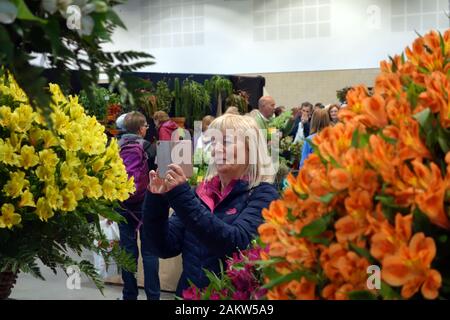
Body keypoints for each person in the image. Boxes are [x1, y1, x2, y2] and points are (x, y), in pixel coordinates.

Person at [143, 114, 279, 296]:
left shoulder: (263, 195)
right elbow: (164, 247)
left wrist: (181, 195)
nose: (217, 149)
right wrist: (157, 200)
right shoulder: (201, 193)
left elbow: (237, 244)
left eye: (227, 141)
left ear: (251, 149)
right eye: (214, 142)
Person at [117, 111, 160, 300]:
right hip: (145, 205)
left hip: (122, 205)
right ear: (141, 128)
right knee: (150, 252)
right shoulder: (148, 147)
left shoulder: (115, 147)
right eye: (145, 126)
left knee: (128, 252)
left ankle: (129, 295)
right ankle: (153, 296)